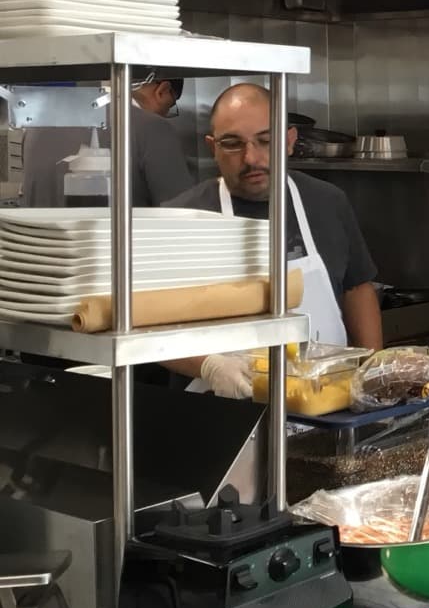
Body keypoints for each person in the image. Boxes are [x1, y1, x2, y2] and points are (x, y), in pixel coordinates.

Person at [164, 83, 383, 397]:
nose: (251, 157)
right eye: (232, 144)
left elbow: (357, 287)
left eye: (265, 141)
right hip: (222, 411)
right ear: (213, 147)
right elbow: (144, 328)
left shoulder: (327, 202)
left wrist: (370, 373)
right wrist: (208, 366)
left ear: (290, 141)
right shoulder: (181, 218)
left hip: (327, 407)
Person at [19, 67, 195, 208]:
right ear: (162, 91)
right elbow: (182, 215)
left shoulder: (38, 126)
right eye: (170, 106)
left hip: (35, 250)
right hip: (109, 250)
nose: (165, 114)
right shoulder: (154, 129)